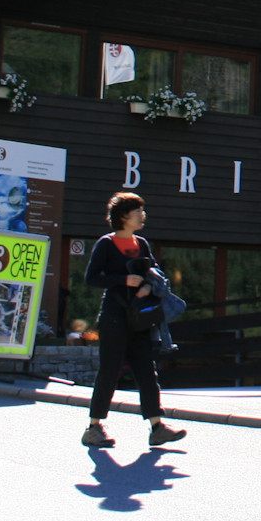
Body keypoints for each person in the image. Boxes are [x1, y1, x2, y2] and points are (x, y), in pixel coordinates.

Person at [81, 192, 186, 449]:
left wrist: (148, 287)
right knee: (109, 372)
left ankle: (157, 427)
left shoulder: (142, 244)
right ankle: (93, 428)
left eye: (142, 211)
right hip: (114, 318)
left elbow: (155, 273)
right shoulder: (106, 244)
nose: (142, 215)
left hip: (140, 318)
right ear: (124, 216)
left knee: (147, 372)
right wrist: (123, 280)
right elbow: (91, 278)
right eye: (137, 211)